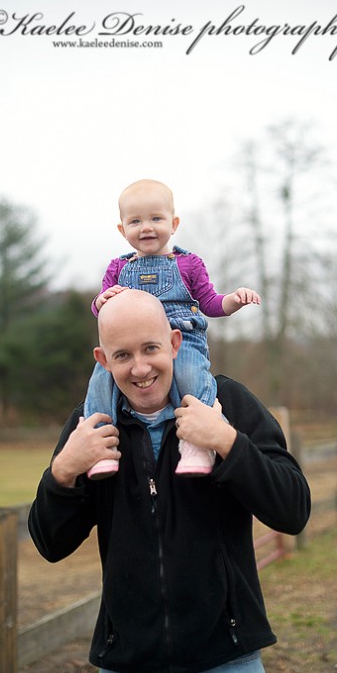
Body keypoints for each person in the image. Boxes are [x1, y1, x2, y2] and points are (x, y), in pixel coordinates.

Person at [28, 289, 311, 673]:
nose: (140, 368)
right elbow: (50, 544)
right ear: (103, 360)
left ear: (175, 343)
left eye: (151, 348)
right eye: (122, 355)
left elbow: (294, 510)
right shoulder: (91, 424)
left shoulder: (226, 403)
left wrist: (227, 442)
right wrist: (63, 471)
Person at [84, 178, 261, 480]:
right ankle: (99, 447)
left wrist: (233, 300)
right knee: (100, 384)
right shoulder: (117, 268)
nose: (146, 227)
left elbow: (209, 302)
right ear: (122, 229)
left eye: (156, 218)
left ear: (174, 223)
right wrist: (102, 301)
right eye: (135, 221)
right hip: (132, 343)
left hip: (183, 333)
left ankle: (196, 442)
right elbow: (101, 310)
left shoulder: (188, 264)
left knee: (191, 377)